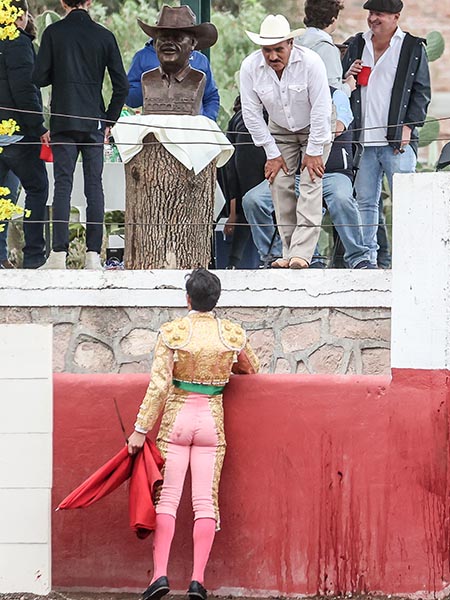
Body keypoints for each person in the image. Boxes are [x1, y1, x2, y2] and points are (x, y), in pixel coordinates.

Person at [127, 268, 259, 600]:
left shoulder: (173, 332)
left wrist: (140, 430)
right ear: (216, 300)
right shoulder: (231, 334)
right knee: (205, 502)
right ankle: (197, 581)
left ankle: (159, 576)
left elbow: (158, 386)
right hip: (211, 420)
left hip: (177, 419)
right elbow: (250, 367)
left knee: (168, 500)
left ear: (187, 298)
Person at [33, 0, 129, 270]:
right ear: (89, 2)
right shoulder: (104, 36)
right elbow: (121, 85)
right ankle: (92, 257)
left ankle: (57, 256)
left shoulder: (53, 33)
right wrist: (109, 118)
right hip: (94, 121)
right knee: (94, 186)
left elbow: (38, 77)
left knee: (62, 185)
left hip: (63, 118)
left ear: (63, 3)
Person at [240, 14, 332, 269]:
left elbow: (322, 108)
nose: (272, 56)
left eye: (278, 49)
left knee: (311, 181)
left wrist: (313, 151)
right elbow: (251, 113)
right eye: (267, 50)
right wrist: (271, 152)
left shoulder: (312, 62)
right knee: (279, 184)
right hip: (279, 129)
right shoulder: (250, 67)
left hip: (316, 125)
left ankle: (303, 253)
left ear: (291, 43)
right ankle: (289, 251)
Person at [342, 0, 431, 265]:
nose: (373, 19)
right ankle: (367, 260)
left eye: (379, 14)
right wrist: (349, 75)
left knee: (406, 202)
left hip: (397, 142)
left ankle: (409, 258)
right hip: (363, 140)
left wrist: (408, 126)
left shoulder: (413, 47)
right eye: (370, 13)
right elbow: (343, 88)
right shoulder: (357, 43)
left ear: (395, 17)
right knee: (365, 203)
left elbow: (421, 91)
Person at [0, 0, 49, 269]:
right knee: (37, 188)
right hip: (17, 134)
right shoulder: (18, 43)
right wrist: (38, 127)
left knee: (2, 195)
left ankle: (0, 256)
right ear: (19, 16)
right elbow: (25, 91)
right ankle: (33, 256)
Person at [127, 10, 219, 121]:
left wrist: (205, 123)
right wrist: (152, 88)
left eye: (178, 38)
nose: (169, 43)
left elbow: (211, 97)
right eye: (163, 38)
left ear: (193, 43)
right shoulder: (142, 57)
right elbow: (129, 97)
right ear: (155, 42)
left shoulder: (201, 61)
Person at [297, 0, 356, 97]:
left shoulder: (294, 42)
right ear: (333, 19)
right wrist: (348, 86)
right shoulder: (327, 49)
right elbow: (332, 93)